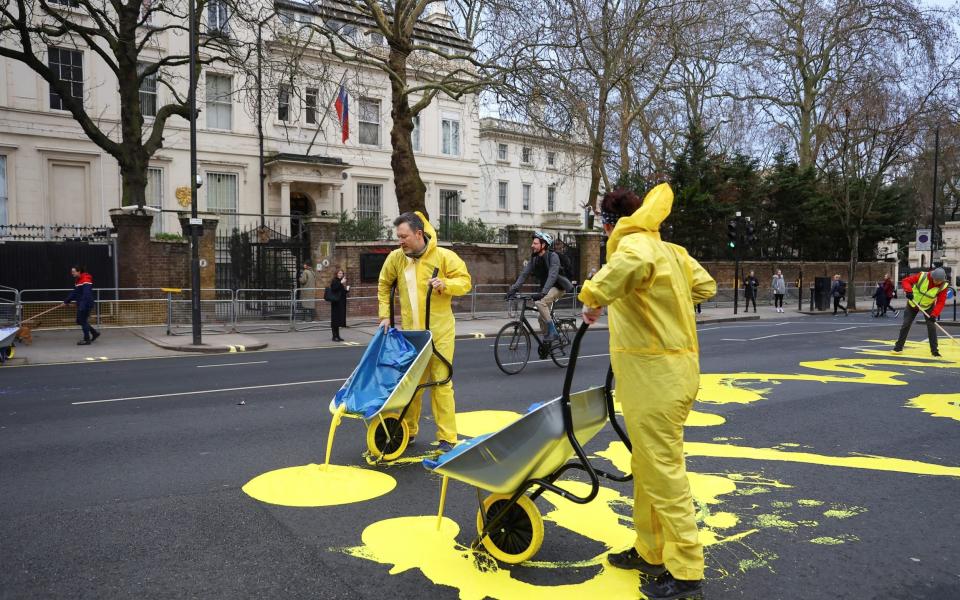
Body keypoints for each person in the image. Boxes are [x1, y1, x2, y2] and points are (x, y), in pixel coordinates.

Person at [580, 184, 716, 600]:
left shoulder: (634, 249)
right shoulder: (673, 252)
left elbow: (614, 277)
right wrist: (661, 305)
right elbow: (705, 286)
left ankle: (687, 568)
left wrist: (590, 297)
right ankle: (651, 549)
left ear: (610, 224)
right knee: (648, 467)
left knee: (662, 471)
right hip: (669, 373)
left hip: (654, 378)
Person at [377, 212, 472, 453]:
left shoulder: (444, 257)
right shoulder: (396, 258)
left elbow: (465, 281)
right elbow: (384, 284)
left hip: (440, 333)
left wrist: (446, 285)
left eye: (404, 236)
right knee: (410, 385)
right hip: (412, 336)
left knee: (441, 384)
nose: (400, 241)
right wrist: (385, 315)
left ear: (418, 234)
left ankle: (447, 437)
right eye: (398, 236)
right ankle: (407, 430)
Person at [506, 231, 574, 341]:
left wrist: (543, 293)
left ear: (544, 245)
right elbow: (524, 274)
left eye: (535, 243)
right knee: (540, 318)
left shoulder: (553, 256)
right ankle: (547, 341)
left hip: (559, 287)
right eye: (533, 243)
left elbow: (552, 276)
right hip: (547, 288)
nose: (532, 245)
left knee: (540, 302)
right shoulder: (535, 258)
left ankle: (553, 331)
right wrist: (513, 290)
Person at [893, 267, 950, 357]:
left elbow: (941, 302)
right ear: (932, 277)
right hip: (913, 303)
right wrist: (908, 291)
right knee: (906, 324)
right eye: (936, 280)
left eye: (939, 281)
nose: (937, 282)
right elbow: (906, 281)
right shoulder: (922, 276)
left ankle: (934, 351)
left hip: (928, 306)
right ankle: (898, 347)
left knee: (932, 326)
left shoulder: (943, 286)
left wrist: (934, 314)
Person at [63, 266, 100, 345]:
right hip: (82, 304)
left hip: (86, 304)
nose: (72, 273)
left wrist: (82, 305)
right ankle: (94, 333)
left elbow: (87, 294)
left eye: (73, 271)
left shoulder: (85, 280)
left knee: (82, 321)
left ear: (79, 271)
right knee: (80, 321)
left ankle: (87, 340)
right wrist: (66, 301)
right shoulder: (78, 281)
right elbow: (74, 293)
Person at [328, 268, 350, 342]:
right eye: (339, 273)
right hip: (335, 303)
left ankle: (338, 336)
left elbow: (341, 292)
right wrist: (341, 283)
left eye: (342, 273)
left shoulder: (340, 282)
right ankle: (334, 336)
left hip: (340, 303)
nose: (341, 274)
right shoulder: (335, 281)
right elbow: (334, 288)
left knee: (338, 320)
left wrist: (346, 290)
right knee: (335, 320)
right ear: (336, 274)